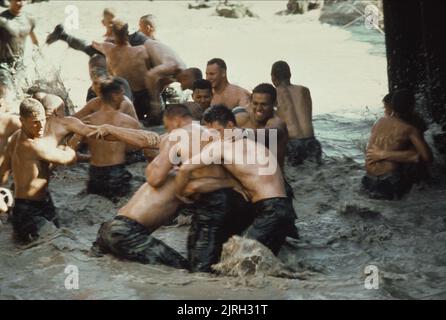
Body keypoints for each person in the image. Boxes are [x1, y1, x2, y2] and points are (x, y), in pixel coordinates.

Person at [176, 105, 299, 263]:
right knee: (262, 264)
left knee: (238, 262)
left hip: (270, 211)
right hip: (284, 207)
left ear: (229, 126)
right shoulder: (251, 142)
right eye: (208, 132)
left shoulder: (221, 146)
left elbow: (185, 169)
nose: (211, 136)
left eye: (215, 131)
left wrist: (180, 194)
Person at [0, 98, 76, 242]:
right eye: (35, 122)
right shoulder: (33, 145)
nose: (41, 126)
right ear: (22, 121)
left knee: (55, 238)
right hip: (28, 210)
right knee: (53, 244)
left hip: (41, 202)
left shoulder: (15, 137)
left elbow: (3, 170)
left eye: (43, 120)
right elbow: (69, 159)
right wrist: (76, 139)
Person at [363, 89, 433, 200]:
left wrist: (382, 154)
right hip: (391, 182)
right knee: (416, 156)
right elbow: (428, 158)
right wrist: (411, 156)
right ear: (412, 106)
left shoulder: (379, 122)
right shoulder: (410, 129)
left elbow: (368, 150)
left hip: (368, 180)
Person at [92, 19, 153, 122]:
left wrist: (109, 37)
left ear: (113, 34)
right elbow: (150, 71)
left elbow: (93, 43)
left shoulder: (108, 49)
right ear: (128, 33)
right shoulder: (141, 50)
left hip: (125, 101)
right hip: (146, 101)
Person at [271, 60, 322, 166]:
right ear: (290, 75)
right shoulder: (304, 90)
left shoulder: (273, 94)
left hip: (293, 143)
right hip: (312, 141)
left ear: (273, 78)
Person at [143, 38, 202, 121]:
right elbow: (150, 76)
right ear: (187, 77)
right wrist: (155, 101)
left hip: (148, 53)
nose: (185, 89)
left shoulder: (178, 74)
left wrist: (157, 101)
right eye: (188, 86)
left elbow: (161, 83)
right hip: (140, 43)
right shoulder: (173, 66)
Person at [233, 83, 289, 169]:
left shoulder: (277, 122)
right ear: (251, 102)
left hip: (272, 178)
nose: (259, 108)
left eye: (264, 104)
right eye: (255, 103)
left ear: (274, 104)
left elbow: (270, 132)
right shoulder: (242, 119)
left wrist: (242, 133)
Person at [0, 0, 39, 111]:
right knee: (7, 95)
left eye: (22, 0)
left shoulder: (29, 19)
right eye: (17, 0)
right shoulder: (2, 20)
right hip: (2, 64)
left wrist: (40, 55)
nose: (20, 3)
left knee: (18, 95)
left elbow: (34, 40)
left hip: (19, 64)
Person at [46, 8, 116, 56]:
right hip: (100, 55)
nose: (112, 25)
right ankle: (62, 35)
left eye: (113, 22)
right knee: (86, 46)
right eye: (109, 22)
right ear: (103, 22)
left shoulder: (119, 34)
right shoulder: (104, 37)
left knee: (86, 46)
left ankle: (62, 35)